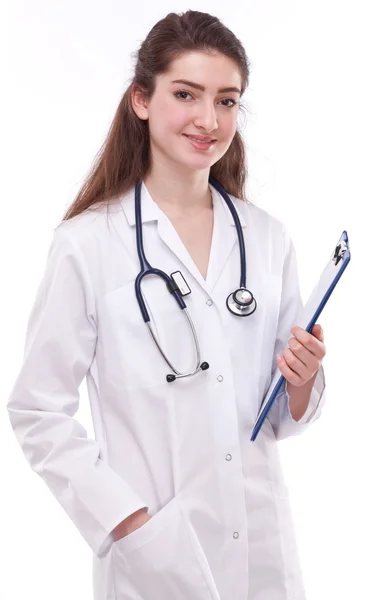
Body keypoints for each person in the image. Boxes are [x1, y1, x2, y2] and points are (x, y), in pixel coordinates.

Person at [6, 9, 327, 600]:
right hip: (154, 562)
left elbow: (278, 416)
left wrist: (303, 382)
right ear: (141, 100)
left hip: (263, 555)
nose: (209, 119)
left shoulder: (267, 237)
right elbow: (36, 411)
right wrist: (128, 522)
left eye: (227, 101)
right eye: (186, 94)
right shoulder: (87, 244)